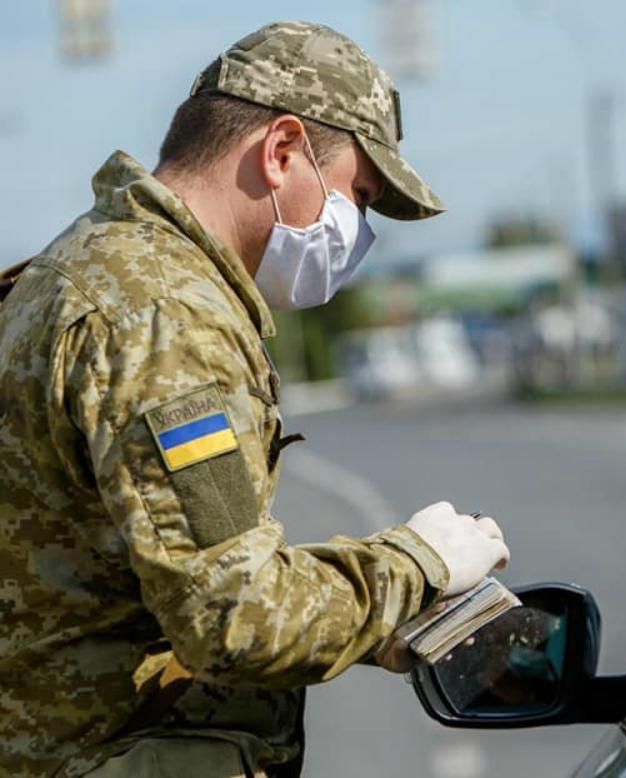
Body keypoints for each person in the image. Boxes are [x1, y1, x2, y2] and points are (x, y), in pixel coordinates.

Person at [0, 21, 510, 777]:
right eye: (357, 197)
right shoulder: (163, 314)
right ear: (280, 152)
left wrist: (374, 625)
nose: (357, 233)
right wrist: (419, 564)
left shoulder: (87, 266)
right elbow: (232, 618)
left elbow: (132, 581)